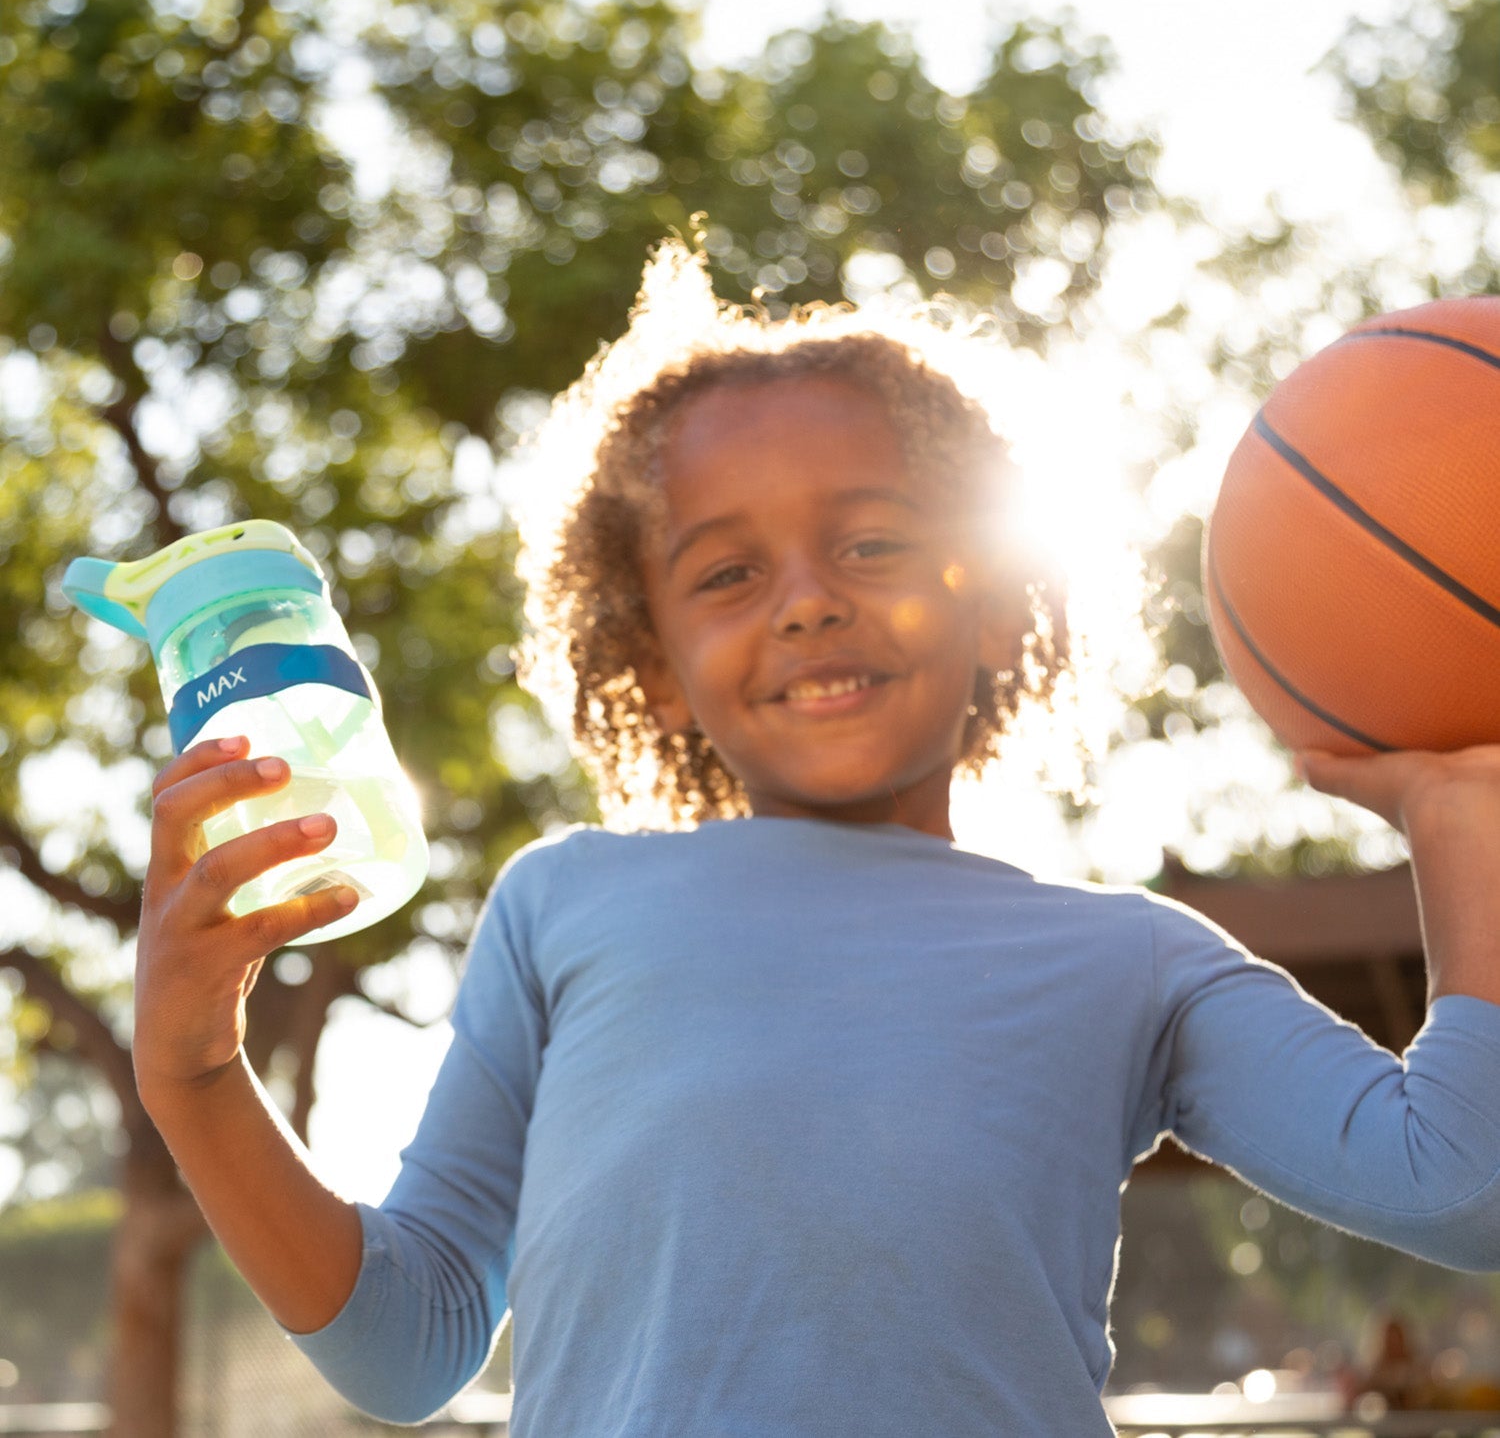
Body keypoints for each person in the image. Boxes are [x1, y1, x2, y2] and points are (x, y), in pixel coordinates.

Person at [133, 242, 1500, 1436]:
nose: (806, 604)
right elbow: (407, 1343)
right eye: (727, 573)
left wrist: (1460, 822)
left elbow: (1465, 1192)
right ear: (652, 664)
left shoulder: (1130, 959)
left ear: (997, 609)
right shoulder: (566, 907)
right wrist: (194, 1070)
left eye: (875, 546)